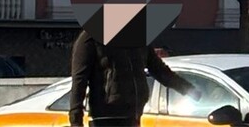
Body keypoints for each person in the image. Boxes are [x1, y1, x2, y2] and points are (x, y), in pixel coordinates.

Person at [69, 29, 197, 127]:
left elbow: (160, 70)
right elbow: (79, 81)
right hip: (107, 117)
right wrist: (76, 121)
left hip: (133, 115)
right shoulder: (91, 38)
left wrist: (190, 90)